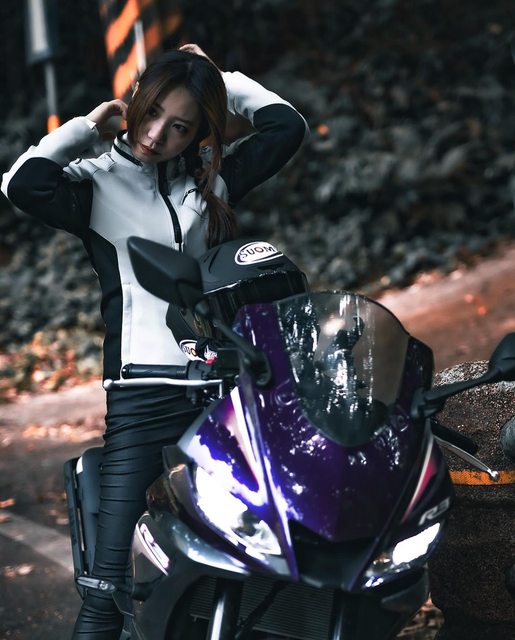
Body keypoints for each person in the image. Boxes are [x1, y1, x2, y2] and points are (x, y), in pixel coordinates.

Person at [1, 43, 308, 638]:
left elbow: (285, 127)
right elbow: (21, 184)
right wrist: (86, 128)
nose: (156, 135)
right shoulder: (96, 182)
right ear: (136, 100)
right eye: (153, 114)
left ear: (198, 133)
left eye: (180, 126)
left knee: (229, 575)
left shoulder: (211, 181)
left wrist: (218, 79)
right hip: (142, 398)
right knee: (108, 587)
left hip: (224, 398)